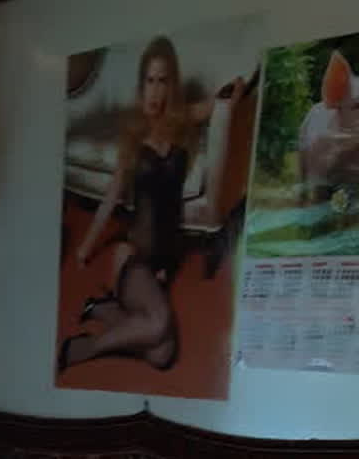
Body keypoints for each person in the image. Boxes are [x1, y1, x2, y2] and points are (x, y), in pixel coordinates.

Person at [59, 36, 242, 374]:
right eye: (150, 80)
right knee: (157, 325)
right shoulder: (132, 133)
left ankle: (101, 309)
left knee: (161, 355)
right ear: (141, 84)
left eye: (163, 81)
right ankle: (82, 348)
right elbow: (111, 196)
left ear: (171, 85)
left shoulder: (182, 118)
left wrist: (235, 89)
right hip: (132, 256)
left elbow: (222, 102)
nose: (155, 90)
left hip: (165, 259)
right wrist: (85, 247)